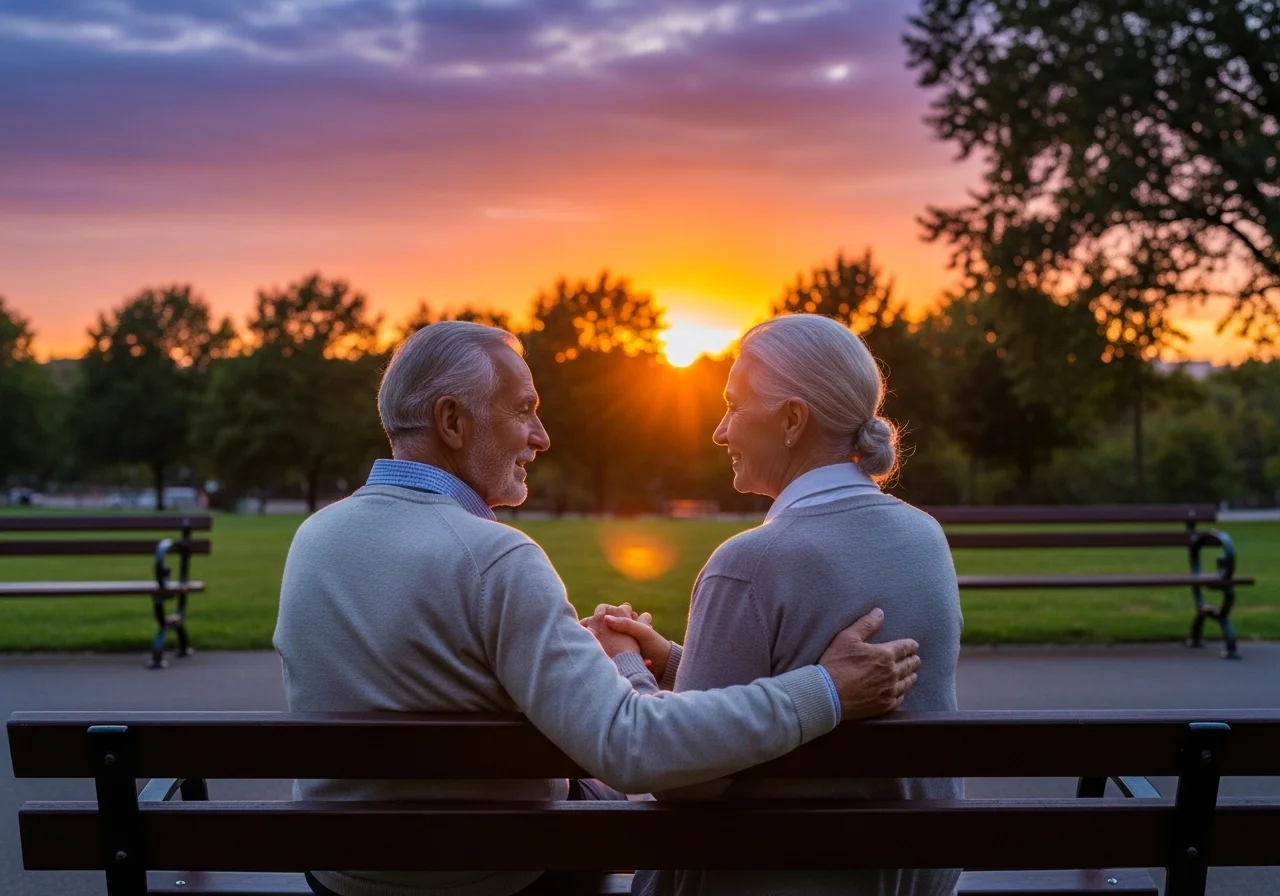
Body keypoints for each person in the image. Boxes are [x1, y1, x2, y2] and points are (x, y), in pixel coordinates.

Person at [273, 320, 923, 896]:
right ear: (451, 422)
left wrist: (574, 650)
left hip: (341, 874)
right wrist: (827, 690)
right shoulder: (497, 560)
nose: (542, 436)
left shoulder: (315, 539)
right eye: (524, 410)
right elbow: (633, 750)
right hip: (491, 880)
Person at [595, 313, 964, 896]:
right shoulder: (924, 538)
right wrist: (672, 660)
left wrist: (626, 665)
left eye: (734, 406)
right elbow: (788, 674)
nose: (719, 431)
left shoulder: (749, 563)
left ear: (792, 420)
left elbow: (680, 778)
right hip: (908, 878)